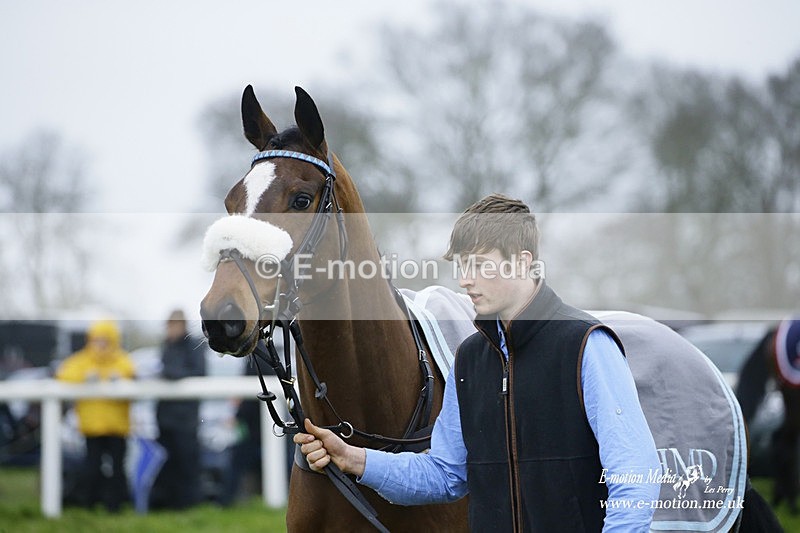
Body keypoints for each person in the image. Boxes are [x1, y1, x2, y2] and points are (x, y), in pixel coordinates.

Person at [295, 194, 662, 531]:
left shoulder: (587, 346)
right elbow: (444, 474)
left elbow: (635, 473)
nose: (465, 280)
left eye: (480, 266)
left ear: (523, 262)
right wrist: (353, 458)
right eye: (461, 266)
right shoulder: (469, 360)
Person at [56, 320, 135, 513]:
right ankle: (89, 504)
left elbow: (131, 376)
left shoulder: (122, 360)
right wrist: (85, 379)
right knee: (91, 468)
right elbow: (63, 376)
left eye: (105, 340)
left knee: (117, 469)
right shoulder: (81, 361)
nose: (101, 344)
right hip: (91, 427)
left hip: (118, 427)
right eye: (97, 340)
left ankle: (116, 506)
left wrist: (120, 380)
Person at [152, 309, 206, 509]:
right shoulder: (166, 345)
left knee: (187, 465)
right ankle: (168, 505)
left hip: (185, 418)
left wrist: (169, 374)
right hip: (165, 418)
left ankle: (189, 505)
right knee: (168, 464)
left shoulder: (193, 346)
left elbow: (198, 372)